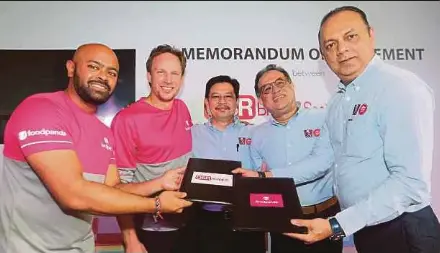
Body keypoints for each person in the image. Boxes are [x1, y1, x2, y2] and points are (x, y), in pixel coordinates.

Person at [0, 43, 192, 253]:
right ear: (71, 68)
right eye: (94, 67)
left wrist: (160, 182)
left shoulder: (103, 132)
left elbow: (114, 190)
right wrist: (155, 205)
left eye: (111, 72)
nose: (103, 76)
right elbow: (74, 195)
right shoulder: (40, 110)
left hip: (81, 247)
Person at [285, 6, 440, 253]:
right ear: (323, 55)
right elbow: (324, 159)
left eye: (350, 36)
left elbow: (410, 183)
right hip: (366, 228)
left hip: (404, 228)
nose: (341, 49)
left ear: (371, 35)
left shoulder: (398, 88)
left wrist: (336, 225)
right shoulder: (337, 102)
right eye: (330, 45)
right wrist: (265, 178)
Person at [232, 64, 342, 253]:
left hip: (325, 216)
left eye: (280, 83)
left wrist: (265, 176)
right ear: (260, 100)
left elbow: (321, 164)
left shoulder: (324, 117)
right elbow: (258, 184)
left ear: (292, 86)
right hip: (282, 219)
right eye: (267, 89)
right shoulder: (256, 134)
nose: (275, 91)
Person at [111, 44, 193, 253]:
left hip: (189, 224)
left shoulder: (182, 109)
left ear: (182, 79)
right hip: (151, 231)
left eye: (175, 73)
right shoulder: (127, 120)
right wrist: (130, 240)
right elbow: (117, 191)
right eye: (161, 72)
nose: (168, 80)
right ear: (149, 76)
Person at [174, 75, 266, 253]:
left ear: (237, 101)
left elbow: (265, 174)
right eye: (215, 97)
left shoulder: (256, 133)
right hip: (203, 221)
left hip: (247, 221)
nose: (222, 102)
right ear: (207, 102)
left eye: (228, 96)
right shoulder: (191, 133)